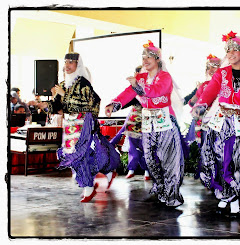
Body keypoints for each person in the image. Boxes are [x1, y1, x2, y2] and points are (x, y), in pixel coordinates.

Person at [192, 31, 240, 217]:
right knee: (220, 159)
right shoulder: (222, 72)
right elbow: (210, 91)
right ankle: (228, 197)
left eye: (235, 49)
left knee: (238, 162)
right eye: (228, 50)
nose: (231, 53)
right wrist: (200, 106)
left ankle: (232, 198)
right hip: (222, 121)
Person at [105, 40, 185, 207]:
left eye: (149, 57)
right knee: (150, 159)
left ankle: (172, 194)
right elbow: (128, 93)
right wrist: (114, 104)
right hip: (148, 122)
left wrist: (138, 87)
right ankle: (162, 188)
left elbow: (157, 92)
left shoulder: (165, 77)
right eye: (143, 57)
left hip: (165, 122)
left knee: (168, 159)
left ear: (157, 59)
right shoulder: (140, 77)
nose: (145, 60)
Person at [38, 52, 120, 202]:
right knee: (79, 154)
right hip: (70, 126)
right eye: (66, 62)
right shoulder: (62, 84)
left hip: (84, 124)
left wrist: (65, 94)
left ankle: (88, 186)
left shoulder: (83, 83)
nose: (67, 66)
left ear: (78, 65)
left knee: (80, 153)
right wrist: (45, 106)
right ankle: (105, 172)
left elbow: (87, 104)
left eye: (71, 62)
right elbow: (58, 106)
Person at [109, 65, 150, 180]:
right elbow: (125, 100)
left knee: (145, 147)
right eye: (136, 74)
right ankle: (131, 169)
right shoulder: (133, 89)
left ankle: (147, 171)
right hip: (133, 121)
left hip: (146, 121)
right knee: (132, 147)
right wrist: (114, 106)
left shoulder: (149, 87)